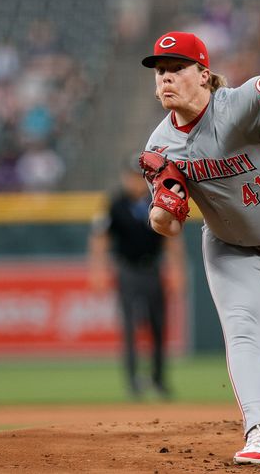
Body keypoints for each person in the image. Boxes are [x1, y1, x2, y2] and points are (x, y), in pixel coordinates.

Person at [140, 30, 260, 464]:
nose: (165, 79)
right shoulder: (159, 146)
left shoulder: (241, 106)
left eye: (176, 69)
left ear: (205, 75)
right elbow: (167, 225)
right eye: (159, 72)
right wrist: (164, 213)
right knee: (242, 330)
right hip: (231, 245)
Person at [89, 158, 186, 400]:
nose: (135, 181)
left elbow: (171, 238)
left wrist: (177, 269)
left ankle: (159, 380)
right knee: (130, 327)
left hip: (153, 269)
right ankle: (133, 382)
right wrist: (98, 270)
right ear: (125, 178)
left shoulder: (157, 200)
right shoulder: (115, 203)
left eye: (139, 176)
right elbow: (100, 238)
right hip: (128, 270)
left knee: (158, 326)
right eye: (131, 176)